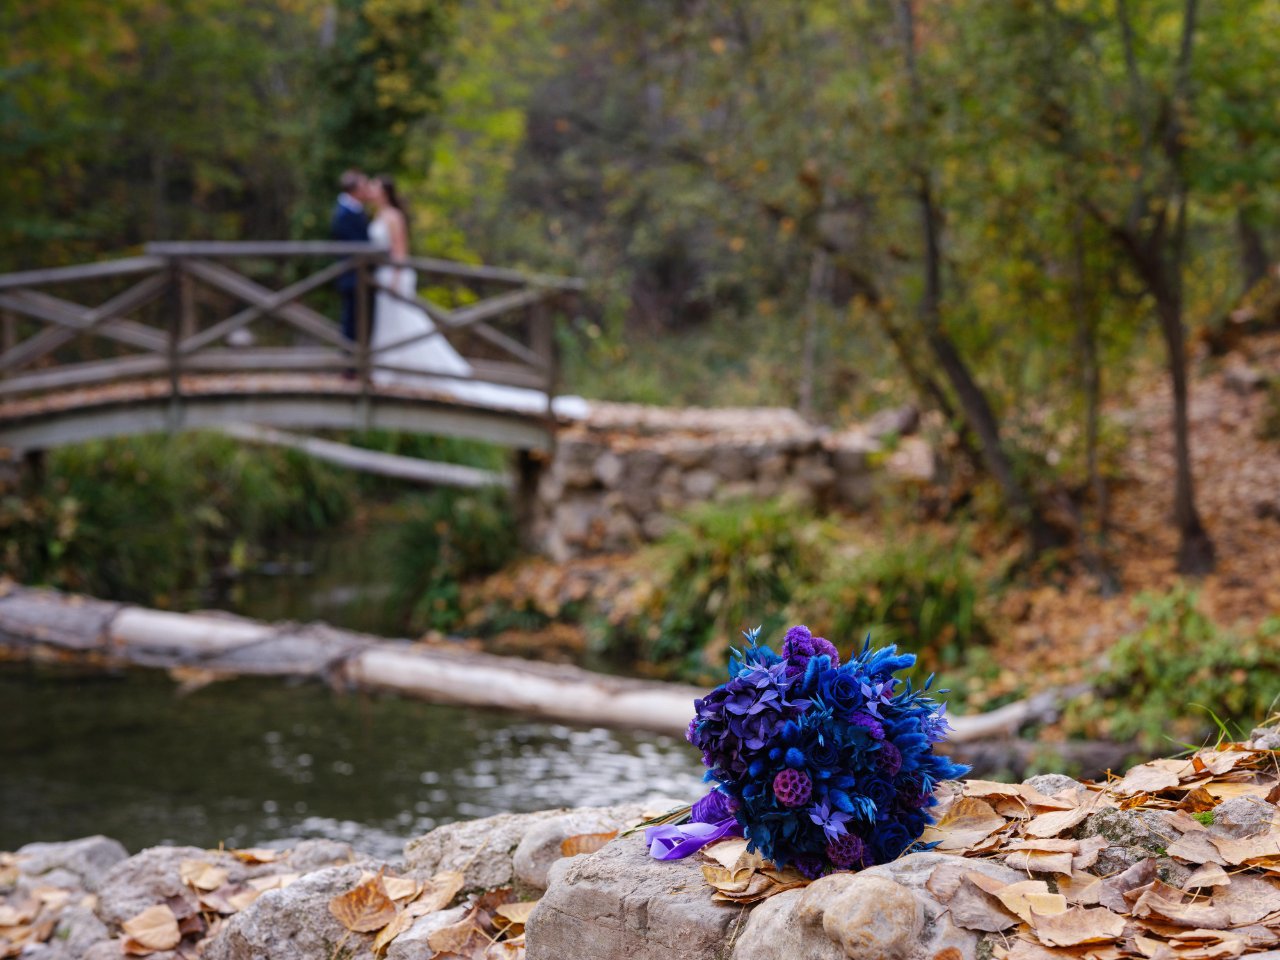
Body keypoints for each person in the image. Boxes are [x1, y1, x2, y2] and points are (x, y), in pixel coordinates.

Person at [365, 174, 588, 418]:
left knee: (405, 324)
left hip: (395, 278)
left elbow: (400, 252)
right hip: (383, 277)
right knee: (395, 326)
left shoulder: (393, 217)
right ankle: (391, 371)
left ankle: (400, 371)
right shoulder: (378, 215)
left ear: (385, 190)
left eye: (375, 185)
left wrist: (396, 278)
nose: (371, 189)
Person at [330, 169, 371, 345]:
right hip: (352, 274)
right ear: (354, 189)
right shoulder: (343, 213)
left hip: (361, 274)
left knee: (358, 318)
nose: (367, 189)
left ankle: (355, 359)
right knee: (351, 319)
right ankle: (350, 362)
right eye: (364, 185)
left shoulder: (355, 209)